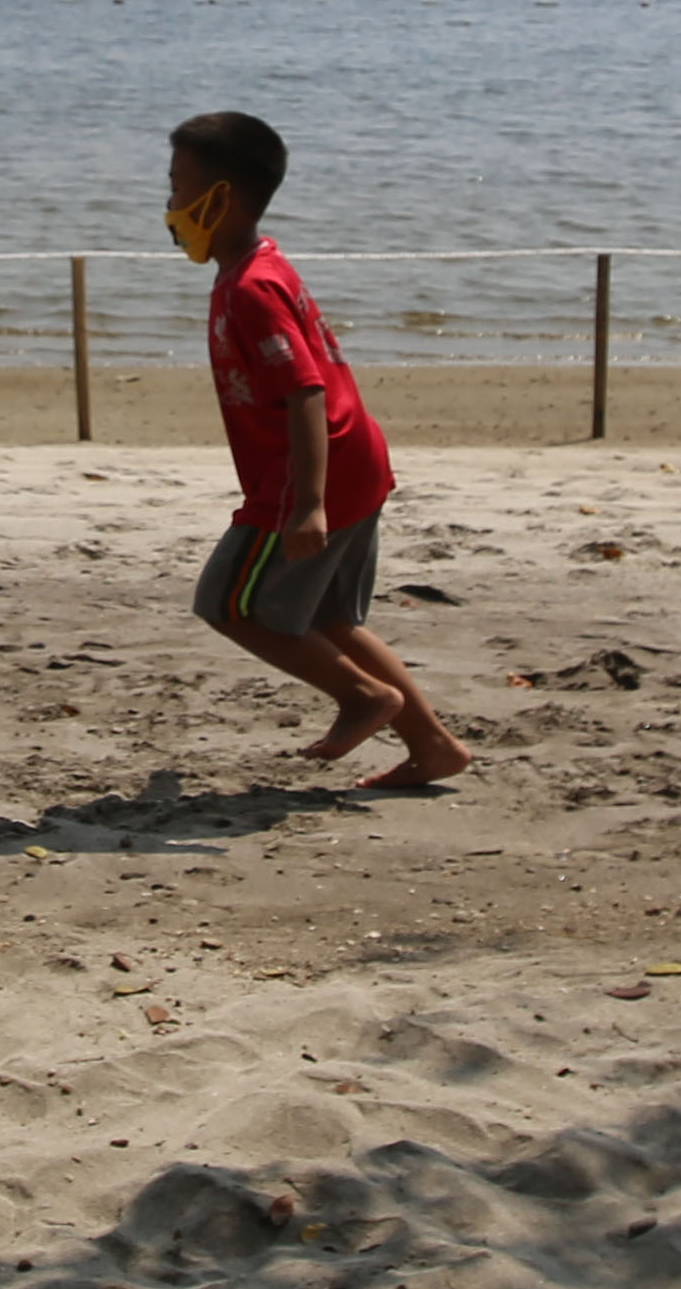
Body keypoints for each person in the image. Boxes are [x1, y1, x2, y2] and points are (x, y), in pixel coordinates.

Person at [168, 110, 468, 789]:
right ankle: (433, 745)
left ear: (221, 198)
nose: (168, 202)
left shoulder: (250, 287)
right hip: (356, 460)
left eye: (177, 185)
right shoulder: (255, 264)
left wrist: (304, 505)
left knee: (226, 602)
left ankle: (362, 697)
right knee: (326, 619)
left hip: (313, 474)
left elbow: (304, 389)